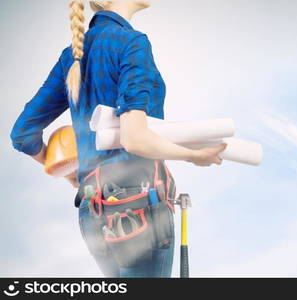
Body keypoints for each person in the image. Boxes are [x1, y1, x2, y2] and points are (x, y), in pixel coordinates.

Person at [9, 0, 226, 277]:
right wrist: (196, 156)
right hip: (137, 201)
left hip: (92, 209)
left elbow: (22, 133)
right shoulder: (132, 43)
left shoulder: (71, 56)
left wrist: (73, 173)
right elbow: (135, 139)